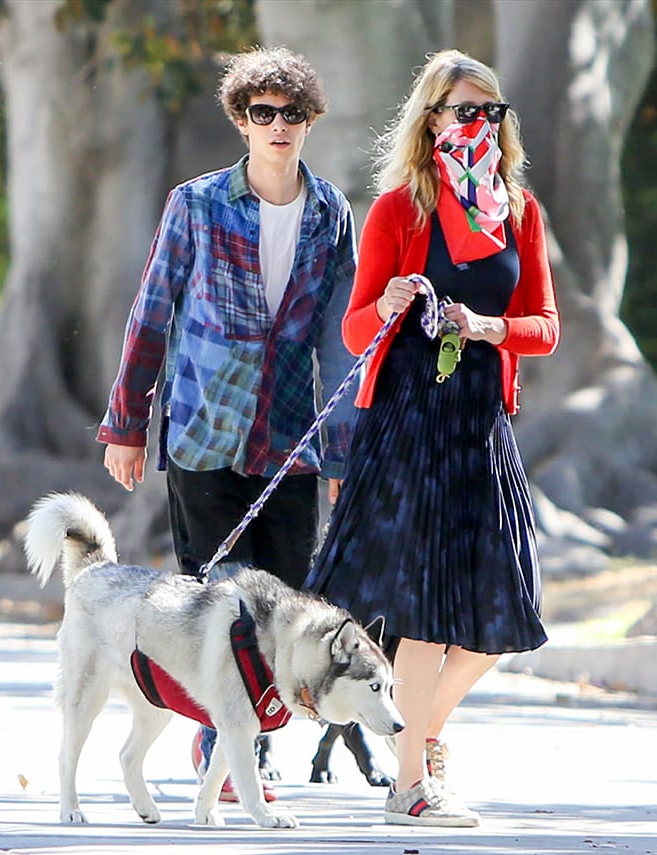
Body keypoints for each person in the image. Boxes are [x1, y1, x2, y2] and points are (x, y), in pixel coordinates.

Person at [97, 46, 361, 802]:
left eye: (291, 114)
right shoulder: (197, 204)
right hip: (203, 433)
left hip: (289, 443)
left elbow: (337, 339)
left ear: (309, 122)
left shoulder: (330, 213)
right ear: (242, 123)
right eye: (261, 113)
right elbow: (151, 315)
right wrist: (126, 423)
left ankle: (259, 740)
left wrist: (338, 451)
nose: (277, 127)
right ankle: (225, 741)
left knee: (285, 597)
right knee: (219, 597)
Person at [303, 48, 560, 827]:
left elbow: (545, 328)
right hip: (411, 422)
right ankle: (411, 785)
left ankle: (422, 738)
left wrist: (488, 326)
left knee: (504, 607)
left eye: (490, 111)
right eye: (461, 110)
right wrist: (386, 302)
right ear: (431, 118)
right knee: (424, 612)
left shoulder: (519, 210)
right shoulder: (398, 211)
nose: (476, 123)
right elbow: (352, 328)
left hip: (480, 426)